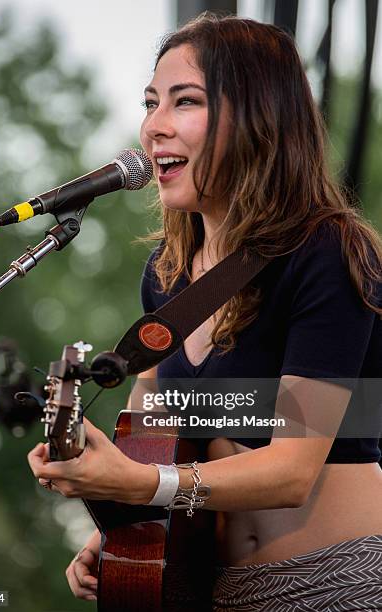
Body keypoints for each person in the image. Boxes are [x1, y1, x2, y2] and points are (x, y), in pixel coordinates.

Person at [28, 13, 382, 610]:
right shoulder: (166, 275)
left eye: (184, 102)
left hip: (338, 580)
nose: (154, 127)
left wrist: (142, 485)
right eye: (150, 103)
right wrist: (121, 525)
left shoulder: (326, 252)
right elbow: (149, 444)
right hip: (213, 590)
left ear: (257, 117)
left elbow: (293, 471)